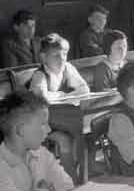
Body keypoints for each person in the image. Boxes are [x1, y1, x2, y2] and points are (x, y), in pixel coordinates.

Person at [29, 33, 89, 180]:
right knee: (80, 124)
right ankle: (81, 176)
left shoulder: (68, 68)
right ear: (43, 57)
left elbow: (84, 89)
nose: (62, 58)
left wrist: (59, 96)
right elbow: (42, 98)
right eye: (56, 55)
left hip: (65, 117)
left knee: (84, 125)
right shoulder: (40, 75)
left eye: (64, 54)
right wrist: (67, 95)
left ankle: (82, 173)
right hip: (45, 121)